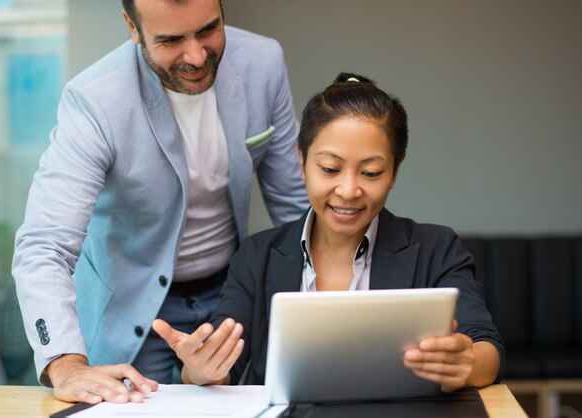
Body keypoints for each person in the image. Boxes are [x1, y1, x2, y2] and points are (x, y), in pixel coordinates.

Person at [11, 0, 308, 404]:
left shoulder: (263, 62)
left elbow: (296, 209)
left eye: (208, 30)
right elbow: (44, 245)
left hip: (231, 293)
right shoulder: (94, 99)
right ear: (133, 28)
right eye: (171, 40)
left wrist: (330, 307)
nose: (197, 56)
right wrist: (65, 363)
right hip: (129, 305)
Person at [154, 73, 505, 391]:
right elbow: (225, 364)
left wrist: (466, 362)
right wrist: (200, 368)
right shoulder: (256, 256)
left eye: (370, 173)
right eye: (330, 168)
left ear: (395, 170)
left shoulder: (436, 248)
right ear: (301, 160)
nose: (349, 190)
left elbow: (487, 348)